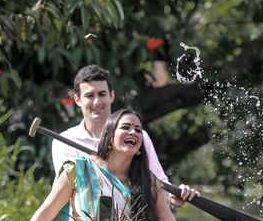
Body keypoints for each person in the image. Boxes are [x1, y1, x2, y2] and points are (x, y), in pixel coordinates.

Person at [23, 109, 199, 221]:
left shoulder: (149, 183)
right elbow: (46, 213)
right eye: (126, 127)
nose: (133, 132)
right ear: (110, 136)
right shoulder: (78, 169)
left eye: (138, 130)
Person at [52, 64, 185, 206]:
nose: (96, 102)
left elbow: (159, 183)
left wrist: (174, 196)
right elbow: (68, 192)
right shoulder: (64, 142)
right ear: (77, 99)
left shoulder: (137, 136)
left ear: (112, 95)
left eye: (102, 94)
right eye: (89, 95)